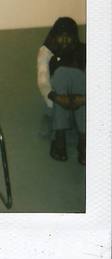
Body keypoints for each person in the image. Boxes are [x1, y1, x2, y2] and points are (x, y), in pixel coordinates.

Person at [37, 17, 86, 164]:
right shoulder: (45, 52)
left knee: (77, 75)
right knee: (60, 73)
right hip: (54, 102)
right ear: (54, 36)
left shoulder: (85, 51)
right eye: (60, 36)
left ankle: (84, 140)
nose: (64, 40)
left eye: (69, 36)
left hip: (81, 105)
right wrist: (58, 98)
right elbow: (43, 80)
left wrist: (83, 99)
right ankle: (60, 137)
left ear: (75, 37)